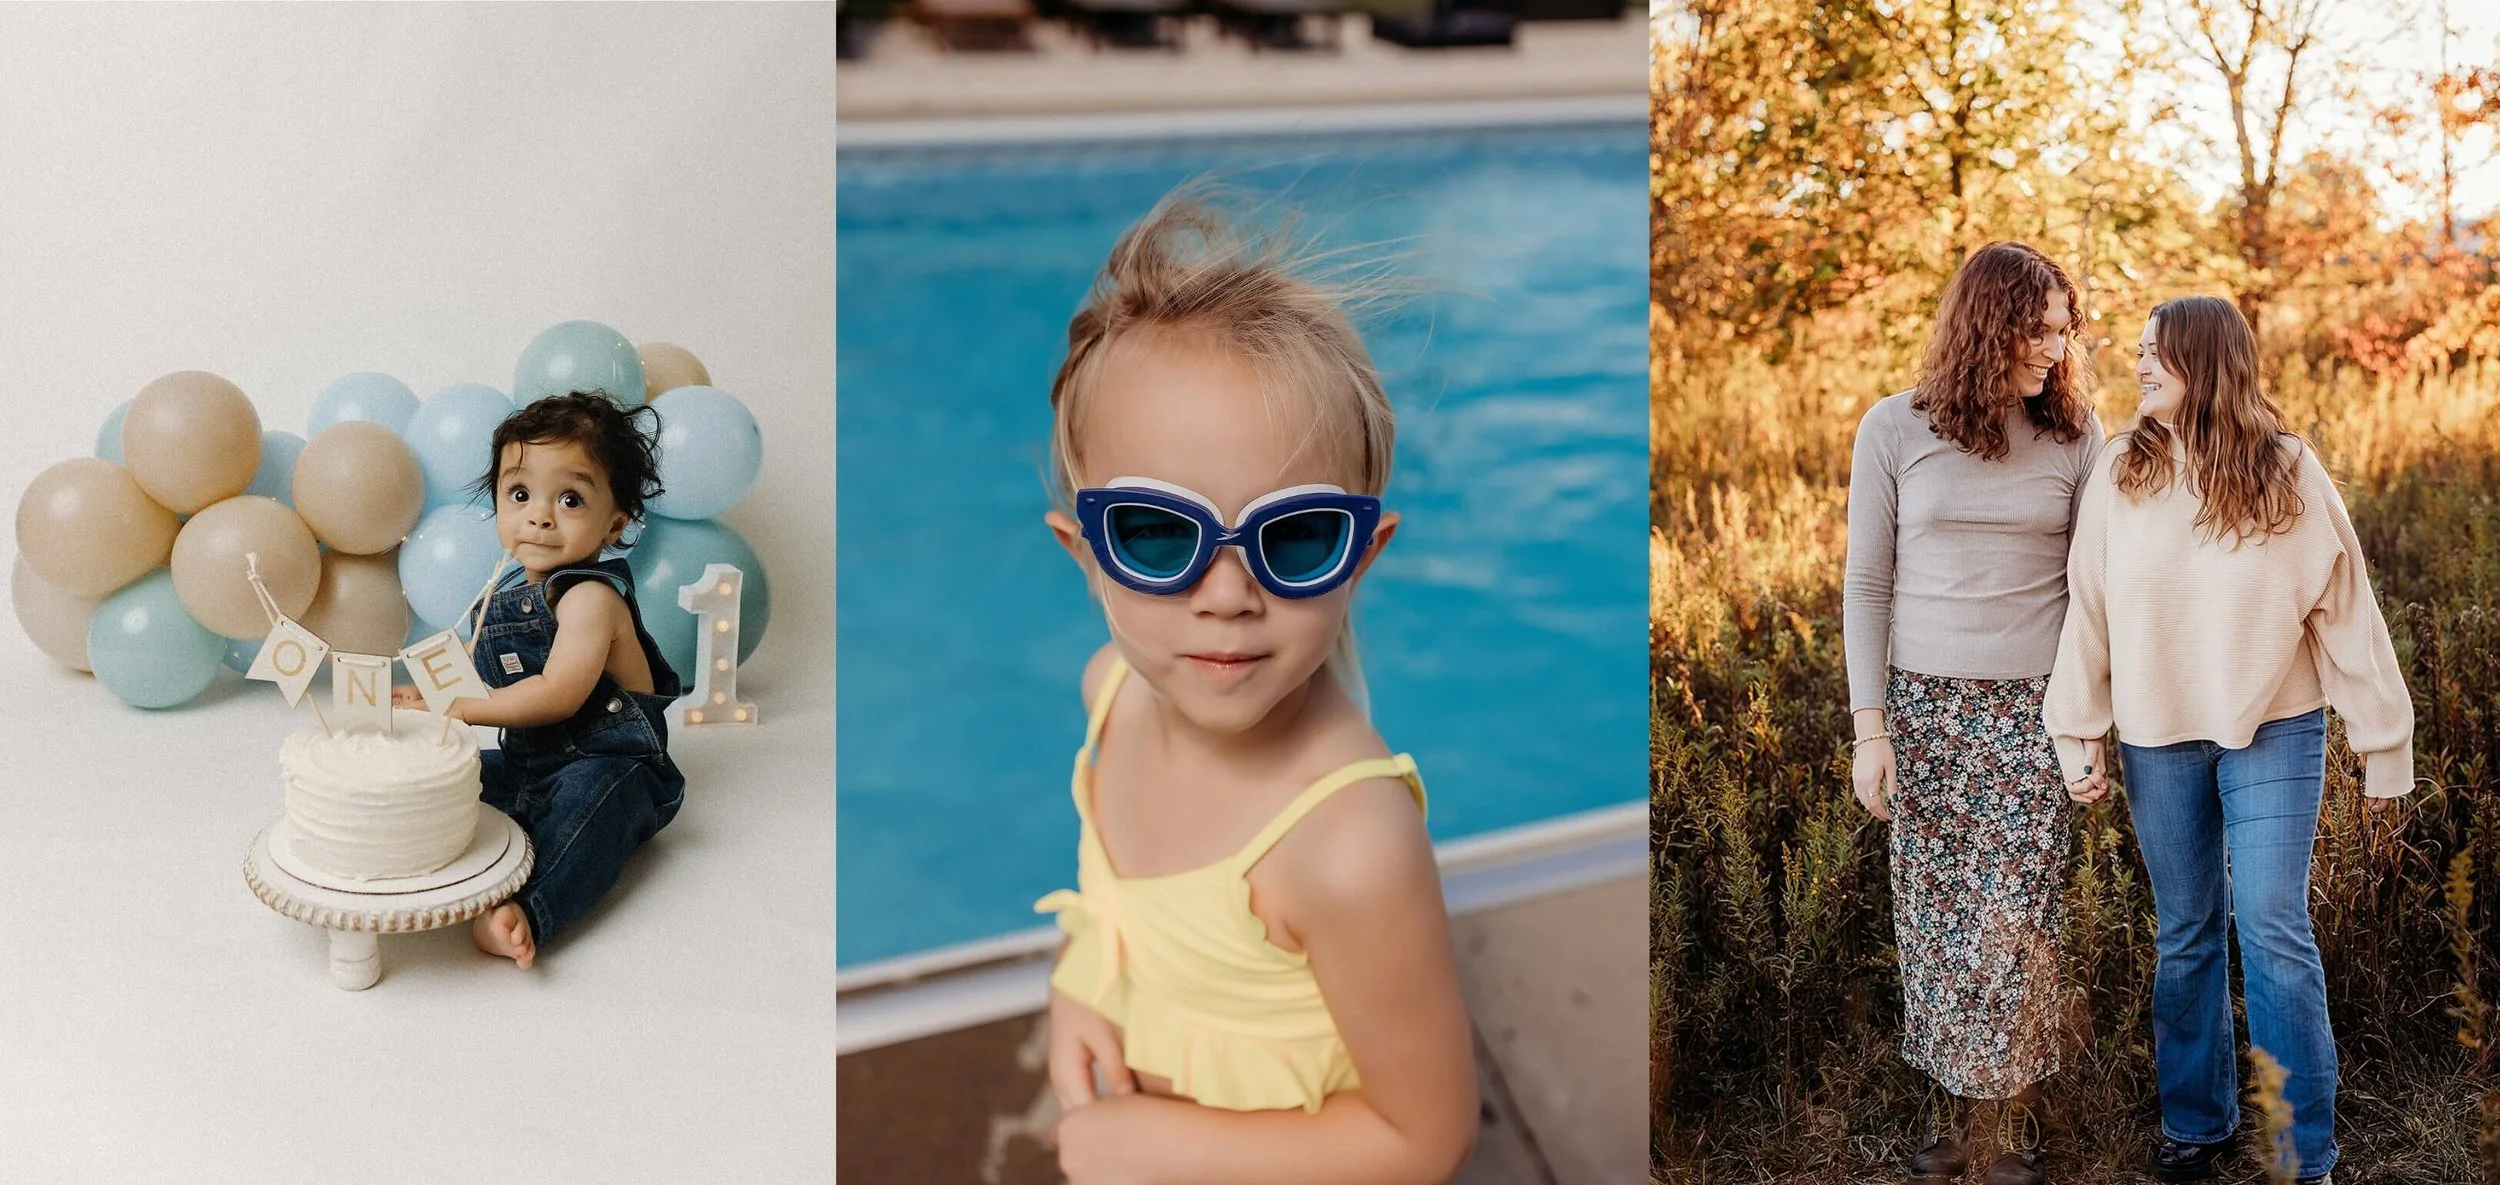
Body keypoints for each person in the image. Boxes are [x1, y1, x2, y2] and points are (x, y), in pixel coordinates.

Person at [1030, 193, 1479, 1185]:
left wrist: (1145, 1145)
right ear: (1085, 554)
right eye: (1156, 533)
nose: (1226, 595)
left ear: (1360, 557)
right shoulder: (1111, 691)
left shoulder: (1346, 844)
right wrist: (1086, 989)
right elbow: (1115, 901)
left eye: (1296, 537)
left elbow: (1426, 1138)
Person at [2046, 296, 2414, 1185]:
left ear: (2206, 362)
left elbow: (2345, 604)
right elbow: (2087, 608)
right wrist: (2077, 728)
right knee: (2188, 932)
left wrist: (2383, 744)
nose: (2135, 367)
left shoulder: (2286, 467)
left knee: (2274, 926)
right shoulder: (2117, 473)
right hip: (2157, 735)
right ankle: (2195, 1124)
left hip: (2274, 729)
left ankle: (2302, 1152)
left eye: (2155, 355)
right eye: (2134, 351)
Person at [1844, 241, 2104, 1185]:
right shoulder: (1894, 429)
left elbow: (2094, 591)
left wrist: (2083, 725)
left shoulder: (2079, 437)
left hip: (2033, 714)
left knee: (2018, 918)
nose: (2055, 346)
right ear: (1988, 324)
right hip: (1922, 714)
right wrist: (1870, 731)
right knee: (1937, 921)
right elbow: (1866, 583)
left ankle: (2008, 1126)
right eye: (2039, 328)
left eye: (2063, 329)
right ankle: (1959, 1116)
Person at [395, 392, 685, 969]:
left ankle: (530, 909)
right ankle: (400, 847)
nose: (539, 515)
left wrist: (462, 711)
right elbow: (470, 667)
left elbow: (559, 693)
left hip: (614, 764)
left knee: (591, 808)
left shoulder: (592, 599)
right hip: (530, 764)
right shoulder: (500, 599)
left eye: (570, 499)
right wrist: (426, 697)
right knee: (451, 781)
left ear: (615, 524)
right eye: (520, 493)